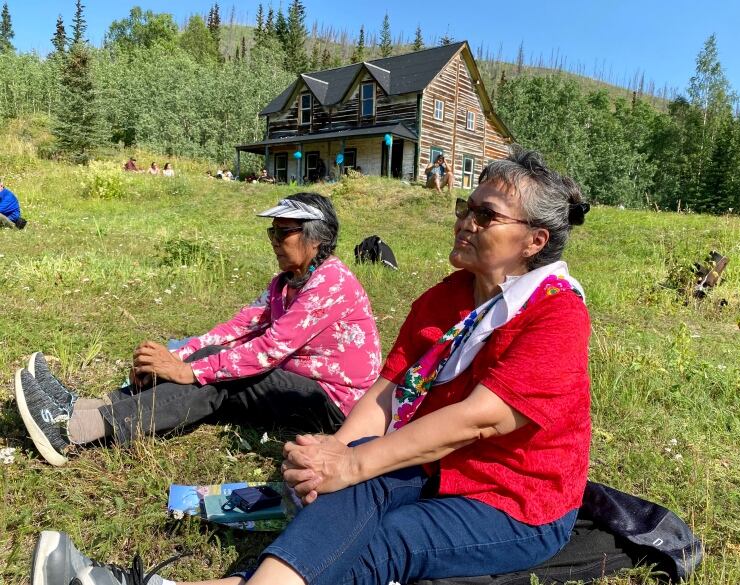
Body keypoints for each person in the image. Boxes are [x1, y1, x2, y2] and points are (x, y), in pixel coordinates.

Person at [31, 148, 593, 585]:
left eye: (485, 214)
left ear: (533, 240)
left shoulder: (556, 314)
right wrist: (337, 457)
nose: (465, 220)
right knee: (351, 484)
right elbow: (389, 390)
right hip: (430, 465)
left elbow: (481, 419)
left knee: (384, 535)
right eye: (464, 207)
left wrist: (349, 463)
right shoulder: (447, 296)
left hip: (512, 498)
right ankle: (92, 421)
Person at [14, 193, 382, 468]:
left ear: (315, 239)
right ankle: (83, 408)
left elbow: (269, 349)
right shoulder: (286, 281)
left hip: (332, 406)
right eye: (272, 230)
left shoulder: (332, 282)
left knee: (230, 376)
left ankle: (72, 431)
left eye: (283, 231)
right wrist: (180, 356)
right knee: (213, 361)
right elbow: (239, 327)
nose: (273, 239)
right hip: (298, 384)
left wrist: (187, 370)